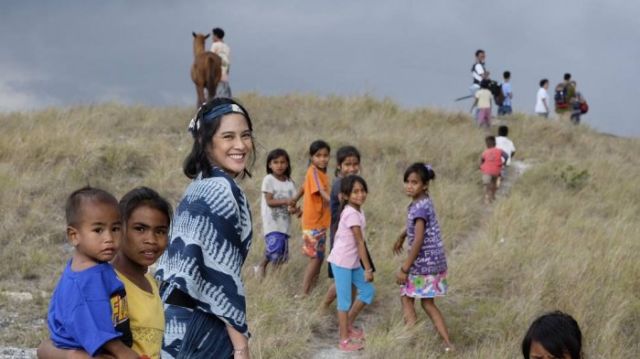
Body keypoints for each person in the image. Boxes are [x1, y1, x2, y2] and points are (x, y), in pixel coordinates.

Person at [155, 98, 255, 359]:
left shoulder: (200, 184)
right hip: (200, 327)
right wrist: (241, 346)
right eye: (228, 137)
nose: (241, 145)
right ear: (206, 141)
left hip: (171, 321)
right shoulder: (222, 190)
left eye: (245, 136)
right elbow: (223, 278)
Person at [38, 187, 172, 359]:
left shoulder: (148, 282)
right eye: (139, 229)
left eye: (160, 231)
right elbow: (49, 345)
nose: (151, 240)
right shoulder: (90, 280)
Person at [44, 187, 138, 358]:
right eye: (98, 230)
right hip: (90, 350)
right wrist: (122, 351)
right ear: (74, 236)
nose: (109, 238)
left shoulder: (92, 267)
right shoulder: (87, 280)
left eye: (115, 229)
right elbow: (93, 326)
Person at [392, 163, 453, 352]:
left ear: (425, 185)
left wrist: (405, 268)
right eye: (407, 182)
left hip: (423, 263)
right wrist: (403, 235)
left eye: (415, 183)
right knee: (428, 303)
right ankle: (448, 344)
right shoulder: (424, 201)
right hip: (435, 262)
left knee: (406, 297)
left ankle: (413, 340)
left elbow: (418, 240)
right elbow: (416, 227)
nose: (410, 186)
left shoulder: (418, 209)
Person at [327, 175, 375, 352]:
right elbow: (360, 242)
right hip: (341, 263)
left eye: (362, 191)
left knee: (368, 291)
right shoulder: (351, 213)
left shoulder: (358, 211)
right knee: (344, 301)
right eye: (355, 192)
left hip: (352, 262)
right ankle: (344, 340)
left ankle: (348, 326)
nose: (360, 195)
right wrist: (368, 269)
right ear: (345, 196)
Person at [322, 145, 362, 308]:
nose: (352, 168)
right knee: (343, 278)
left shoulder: (352, 183)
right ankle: (323, 308)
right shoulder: (341, 185)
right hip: (342, 237)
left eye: (355, 164)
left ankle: (347, 313)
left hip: (352, 235)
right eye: (347, 164)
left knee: (351, 277)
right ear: (339, 166)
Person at [291, 140, 331, 297]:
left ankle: (311, 290)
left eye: (325, 155)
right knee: (315, 258)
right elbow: (320, 191)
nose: (322, 159)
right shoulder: (313, 171)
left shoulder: (320, 173)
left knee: (319, 258)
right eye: (318, 155)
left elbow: (303, 187)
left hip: (319, 223)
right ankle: (304, 292)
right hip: (313, 223)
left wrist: (294, 200)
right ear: (311, 157)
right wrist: (334, 202)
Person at [256, 148, 299, 277]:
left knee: (281, 254)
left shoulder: (290, 183)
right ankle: (270, 275)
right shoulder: (269, 179)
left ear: (287, 164)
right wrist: (286, 201)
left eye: (282, 162)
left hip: (284, 225)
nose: (279, 165)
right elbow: (269, 201)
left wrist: (296, 210)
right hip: (272, 223)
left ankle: (263, 269)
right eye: (275, 162)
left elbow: (292, 204)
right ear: (270, 164)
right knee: (275, 249)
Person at [480, 136, 505, 204]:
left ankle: (486, 198)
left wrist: (481, 167)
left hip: (487, 171)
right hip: (496, 170)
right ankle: (492, 196)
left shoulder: (485, 152)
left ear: (486, 144)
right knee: (494, 184)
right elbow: (506, 156)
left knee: (486, 185)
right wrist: (503, 163)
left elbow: (482, 161)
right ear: (495, 143)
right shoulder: (500, 150)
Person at [210, 27, 232, 98]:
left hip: (215, 76)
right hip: (225, 77)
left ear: (216, 36)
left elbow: (210, 59)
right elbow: (228, 64)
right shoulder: (227, 47)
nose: (212, 38)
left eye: (213, 36)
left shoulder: (215, 45)